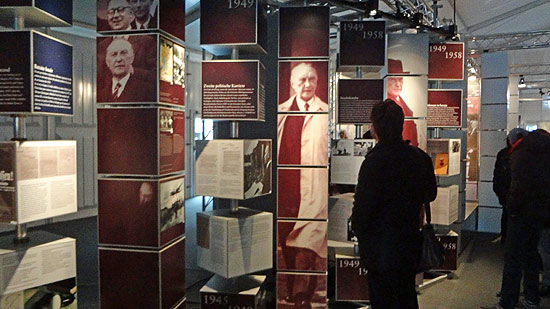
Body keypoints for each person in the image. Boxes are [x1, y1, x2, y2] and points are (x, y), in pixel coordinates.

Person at [351, 99, 437, 308]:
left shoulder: (373, 162)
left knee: (382, 299)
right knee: (406, 294)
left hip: (379, 247)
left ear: (375, 128)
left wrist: (359, 231)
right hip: (408, 241)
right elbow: (430, 194)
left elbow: (363, 210)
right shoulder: (419, 158)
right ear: (401, 124)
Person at [276, 62, 328, 308]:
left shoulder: (325, 112)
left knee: (305, 245)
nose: (307, 85)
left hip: (312, 189)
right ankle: (291, 289)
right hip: (285, 190)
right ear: (292, 84)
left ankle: (301, 297)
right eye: (302, 80)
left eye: (312, 79)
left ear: (317, 82)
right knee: (287, 242)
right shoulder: (281, 112)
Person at [484, 129, 550, 309]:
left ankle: (507, 301)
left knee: (513, 258)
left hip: (520, 215)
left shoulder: (522, 154)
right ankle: (531, 299)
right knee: (531, 256)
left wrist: (511, 208)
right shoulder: (543, 152)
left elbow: (518, 188)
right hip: (539, 214)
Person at [493, 128, 528, 245]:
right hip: (517, 196)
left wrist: (500, 192)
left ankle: (507, 240)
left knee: (509, 218)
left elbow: (498, 176)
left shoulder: (504, 154)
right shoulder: (530, 155)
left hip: (510, 195)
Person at [97, 38, 154, 103]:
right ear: (107, 62)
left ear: (132, 58)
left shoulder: (146, 91)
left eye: (123, 53)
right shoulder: (100, 95)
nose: (118, 59)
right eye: (114, 54)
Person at [386, 58, 418, 147]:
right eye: (393, 79)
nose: (398, 84)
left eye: (400, 79)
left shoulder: (402, 103)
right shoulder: (385, 106)